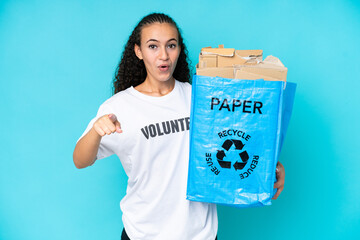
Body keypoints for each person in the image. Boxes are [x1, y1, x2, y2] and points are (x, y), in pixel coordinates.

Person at [73, 13, 285, 240]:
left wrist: (269, 166)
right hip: (143, 233)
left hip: (199, 233)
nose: (163, 55)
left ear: (179, 50)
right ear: (138, 51)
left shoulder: (200, 98)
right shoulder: (120, 106)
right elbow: (80, 160)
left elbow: (233, 141)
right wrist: (96, 131)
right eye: (153, 46)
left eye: (171, 45)